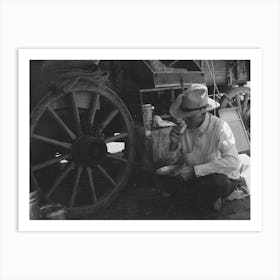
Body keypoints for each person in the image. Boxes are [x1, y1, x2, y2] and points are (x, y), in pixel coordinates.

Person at [168, 84, 240, 213]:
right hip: (196, 179)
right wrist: (173, 144)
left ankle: (195, 203)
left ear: (203, 112)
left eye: (189, 117)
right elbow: (177, 162)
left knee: (219, 182)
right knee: (164, 179)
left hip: (219, 178)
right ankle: (202, 202)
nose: (185, 120)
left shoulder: (220, 127)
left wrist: (195, 170)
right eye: (184, 116)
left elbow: (232, 162)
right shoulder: (184, 130)